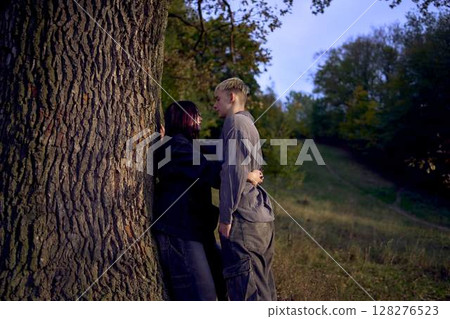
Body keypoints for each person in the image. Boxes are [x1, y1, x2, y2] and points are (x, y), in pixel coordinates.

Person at [153, 100, 263, 301]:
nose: (201, 118)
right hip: (179, 231)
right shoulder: (177, 146)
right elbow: (211, 173)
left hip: (194, 231)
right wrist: (246, 176)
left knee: (224, 283)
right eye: (196, 114)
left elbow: (212, 162)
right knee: (204, 298)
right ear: (184, 118)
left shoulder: (183, 145)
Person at [213, 78, 277, 301]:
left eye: (217, 99)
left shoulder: (234, 123)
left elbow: (233, 173)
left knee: (247, 293)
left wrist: (225, 216)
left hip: (243, 219)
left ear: (231, 97)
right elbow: (252, 171)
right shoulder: (250, 124)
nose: (214, 105)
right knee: (263, 288)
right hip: (260, 218)